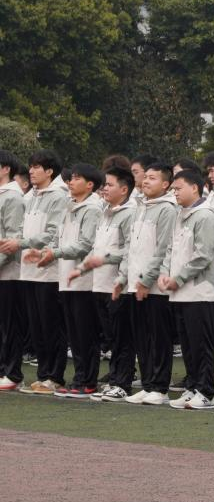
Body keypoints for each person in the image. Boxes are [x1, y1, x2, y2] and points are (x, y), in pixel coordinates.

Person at [38, 164, 105, 397]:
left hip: (84, 280)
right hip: (66, 278)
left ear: (90, 184)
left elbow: (85, 244)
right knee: (74, 334)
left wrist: (55, 253)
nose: (70, 182)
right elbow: (58, 238)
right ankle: (79, 377)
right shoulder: (70, 206)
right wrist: (45, 252)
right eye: (70, 178)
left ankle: (88, 380)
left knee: (86, 333)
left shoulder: (92, 209)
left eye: (77, 179)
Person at [115, 162, 177, 405]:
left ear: (166, 184)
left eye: (153, 178)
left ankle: (160, 387)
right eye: (146, 177)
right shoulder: (139, 207)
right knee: (141, 337)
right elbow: (130, 247)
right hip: (135, 283)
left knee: (158, 338)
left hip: (155, 287)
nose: (146, 181)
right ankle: (148, 383)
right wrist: (123, 278)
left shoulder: (167, 210)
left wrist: (146, 280)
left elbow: (163, 249)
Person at [159, 170, 214, 410]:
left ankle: (206, 392)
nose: (174, 192)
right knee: (187, 344)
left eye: (178, 188)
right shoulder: (180, 214)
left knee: (201, 344)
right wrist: (165, 274)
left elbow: (203, 255)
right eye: (173, 189)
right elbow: (170, 250)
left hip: (199, 291)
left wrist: (179, 278)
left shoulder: (205, 216)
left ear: (195, 188)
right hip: (180, 291)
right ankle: (192, 387)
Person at [11, 151, 69, 394]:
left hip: (49, 271)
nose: (31, 171)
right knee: (36, 327)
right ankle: (43, 374)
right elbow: (23, 229)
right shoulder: (31, 196)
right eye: (31, 167)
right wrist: (17, 242)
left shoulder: (58, 196)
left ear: (50, 171)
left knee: (51, 325)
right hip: (28, 271)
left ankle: (55, 376)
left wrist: (22, 243)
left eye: (37, 167)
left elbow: (53, 232)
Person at [77, 167, 137, 402]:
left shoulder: (129, 214)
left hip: (117, 286)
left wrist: (121, 280)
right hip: (100, 284)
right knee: (111, 337)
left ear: (124, 189)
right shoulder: (105, 212)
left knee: (122, 337)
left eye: (110, 185)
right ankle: (114, 379)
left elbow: (129, 251)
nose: (104, 189)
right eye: (104, 185)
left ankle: (123, 383)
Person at [0, 151, 23, 391]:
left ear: (6, 169)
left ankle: (13, 372)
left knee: (10, 325)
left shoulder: (13, 197)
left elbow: (12, 239)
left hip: (9, 271)